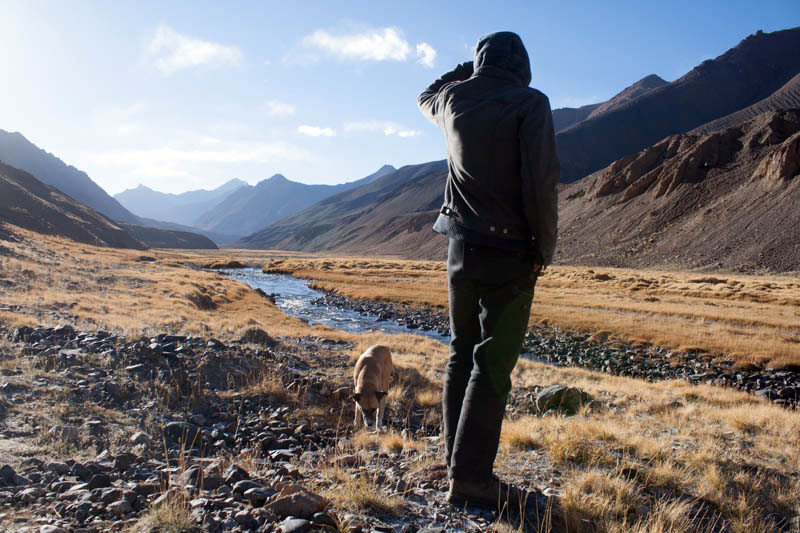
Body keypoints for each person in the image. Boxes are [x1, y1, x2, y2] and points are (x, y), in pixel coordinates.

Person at [417, 31, 560, 511]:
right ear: (523, 62)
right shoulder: (531, 103)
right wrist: (545, 248)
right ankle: (473, 480)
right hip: (512, 252)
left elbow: (424, 96)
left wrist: (465, 72)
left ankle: (455, 460)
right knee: (493, 365)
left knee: (461, 351)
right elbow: (541, 183)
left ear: (481, 61)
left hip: (460, 248)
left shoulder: (454, 99)